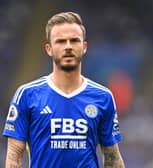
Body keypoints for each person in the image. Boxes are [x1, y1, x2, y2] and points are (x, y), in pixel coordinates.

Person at [3, 11, 125, 168]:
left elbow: (112, 158)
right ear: (49, 49)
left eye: (74, 40)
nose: (68, 46)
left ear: (84, 46)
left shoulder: (103, 97)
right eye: (60, 41)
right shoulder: (27, 95)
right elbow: (14, 157)